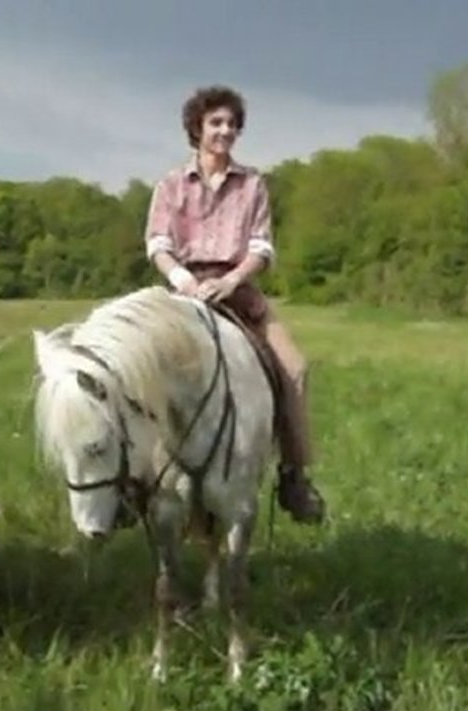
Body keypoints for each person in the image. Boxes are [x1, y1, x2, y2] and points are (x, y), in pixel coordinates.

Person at [143, 85, 325, 524]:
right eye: (215, 123)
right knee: (140, 372)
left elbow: (261, 247)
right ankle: (136, 478)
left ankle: (293, 475)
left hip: (237, 291)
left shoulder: (253, 184)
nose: (224, 131)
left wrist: (230, 280)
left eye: (231, 124)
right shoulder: (170, 184)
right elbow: (157, 244)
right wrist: (185, 280)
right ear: (197, 128)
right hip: (183, 292)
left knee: (295, 369)